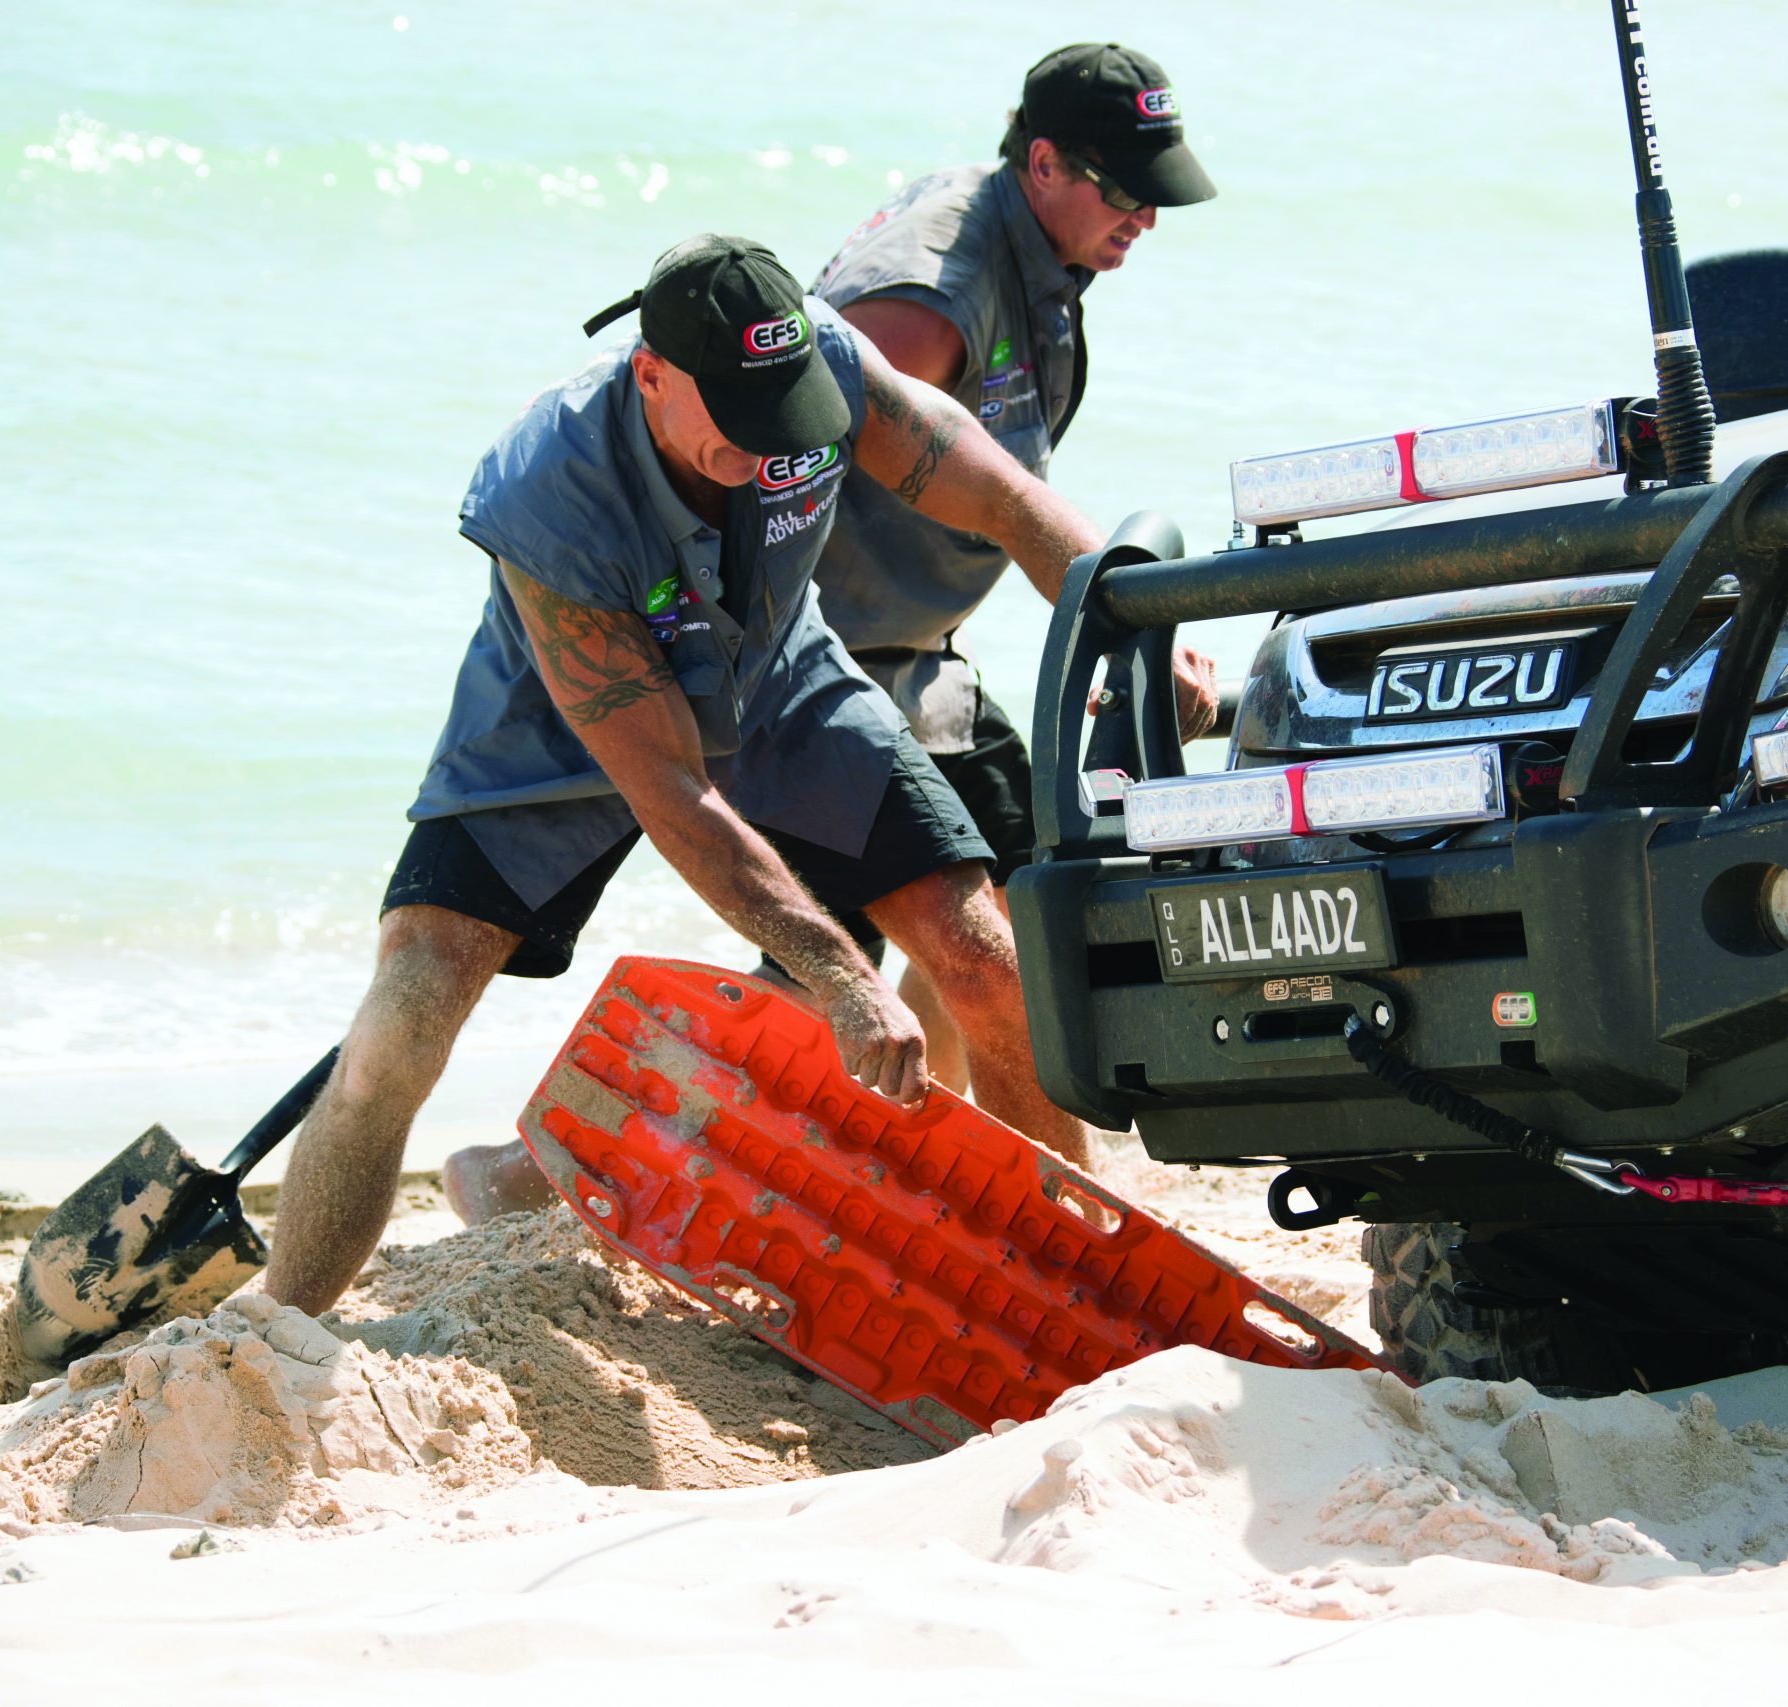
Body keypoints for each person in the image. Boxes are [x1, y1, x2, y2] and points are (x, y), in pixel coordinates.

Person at [267, 234, 1108, 1312]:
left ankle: (1070, 1281)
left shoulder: (824, 366)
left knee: (982, 957)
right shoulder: (547, 488)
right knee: (405, 1017)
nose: (771, 454)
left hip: (776, 674)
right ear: (649, 372)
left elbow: (1000, 497)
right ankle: (280, 1331)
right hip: (566, 721)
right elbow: (669, 791)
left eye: (788, 424)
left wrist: (1121, 615)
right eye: (744, 427)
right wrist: (841, 980)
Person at [805, 42, 1219, 1089]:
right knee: (825, 977)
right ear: (1043, 164)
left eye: (1155, 192)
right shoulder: (921, 306)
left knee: (1026, 913)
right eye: (1123, 191)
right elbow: (777, 492)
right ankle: (524, 1173)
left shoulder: (1034, 244)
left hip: (918, 663)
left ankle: (950, 1151)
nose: (1146, 219)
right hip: (820, 678)